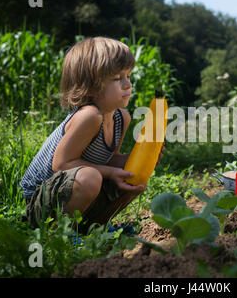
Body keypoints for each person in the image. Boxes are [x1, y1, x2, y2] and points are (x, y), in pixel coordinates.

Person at [19, 36, 163, 233]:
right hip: (41, 203)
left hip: (74, 191)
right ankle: (58, 232)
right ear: (91, 86)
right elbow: (61, 164)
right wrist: (111, 172)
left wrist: (135, 159)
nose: (127, 84)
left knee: (135, 175)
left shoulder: (122, 118)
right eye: (116, 78)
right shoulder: (89, 116)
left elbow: (108, 161)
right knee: (90, 177)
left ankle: (93, 228)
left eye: (128, 76)